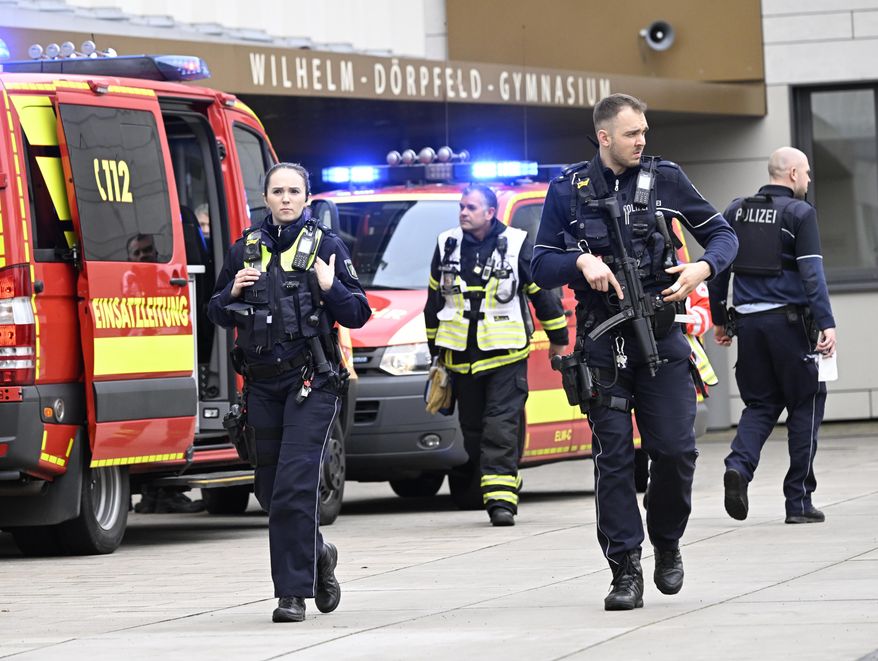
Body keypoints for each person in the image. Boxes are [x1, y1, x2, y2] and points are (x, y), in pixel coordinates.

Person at [532, 93, 738, 611]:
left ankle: (666, 541)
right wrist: (579, 266)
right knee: (614, 459)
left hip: (663, 338)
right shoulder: (568, 189)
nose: (642, 140)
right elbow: (537, 264)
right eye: (631, 134)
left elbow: (722, 235)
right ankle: (624, 568)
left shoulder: (665, 179)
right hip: (603, 344)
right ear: (604, 137)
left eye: (644, 132)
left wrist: (702, 269)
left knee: (675, 451)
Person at [208, 162, 370, 623]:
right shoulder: (245, 249)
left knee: (296, 487)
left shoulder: (328, 246)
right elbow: (216, 313)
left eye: (293, 191)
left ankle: (292, 594)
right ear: (265, 197)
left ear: (306, 197)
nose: (285, 198)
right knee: (269, 489)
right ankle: (318, 554)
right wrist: (229, 294)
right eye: (277, 191)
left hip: (311, 382)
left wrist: (329, 285)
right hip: (261, 384)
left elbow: (358, 313)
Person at [424, 184, 569, 527]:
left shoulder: (517, 244)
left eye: (471, 207)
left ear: (490, 212)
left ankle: (501, 502)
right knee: (473, 432)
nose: (463, 212)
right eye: (461, 206)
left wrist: (559, 340)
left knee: (500, 428)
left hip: (506, 357)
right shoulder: (446, 244)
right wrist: (436, 355)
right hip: (460, 359)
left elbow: (542, 295)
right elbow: (433, 304)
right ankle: (503, 481)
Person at [708, 147, 836, 525]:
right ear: (793, 174)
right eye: (808, 173)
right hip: (790, 325)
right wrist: (827, 323)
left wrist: (720, 319)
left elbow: (718, 270)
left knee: (760, 404)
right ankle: (798, 502)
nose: (809, 180)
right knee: (806, 402)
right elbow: (812, 274)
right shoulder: (799, 214)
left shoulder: (735, 211)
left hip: (748, 326)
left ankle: (739, 467)